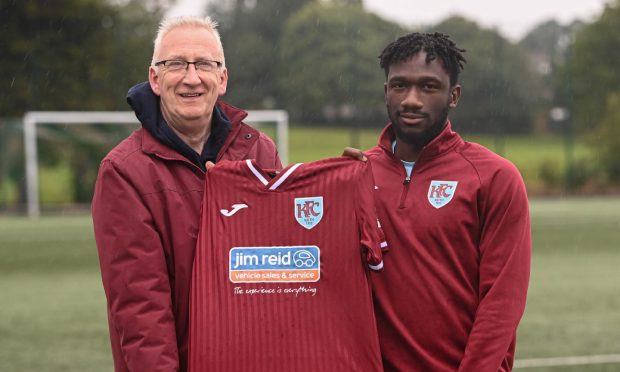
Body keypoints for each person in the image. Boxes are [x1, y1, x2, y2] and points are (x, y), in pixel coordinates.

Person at [92, 16, 281, 372]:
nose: (191, 78)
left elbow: (279, 275)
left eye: (204, 64)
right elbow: (141, 311)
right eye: (176, 64)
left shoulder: (260, 153)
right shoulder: (124, 172)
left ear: (222, 79)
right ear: (155, 79)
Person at [358, 32, 532, 371]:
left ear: (453, 96)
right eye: (399, 86)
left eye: (428, 87)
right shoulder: (353, 176)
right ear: (385, 92)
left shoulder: (495, 178)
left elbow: (502, 300)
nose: (411, 99)